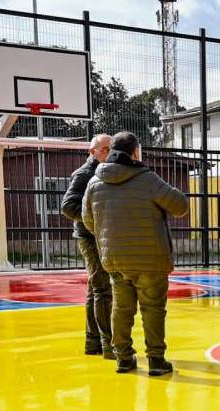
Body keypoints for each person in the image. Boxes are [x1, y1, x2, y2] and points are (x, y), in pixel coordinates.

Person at [82, 132, 189, 376]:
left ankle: (124, 358)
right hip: (150, 258)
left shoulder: (95, 182)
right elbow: (180, 206)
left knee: (121, 307)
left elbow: (88, 221)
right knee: (153, 308)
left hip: (114, 258)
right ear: (135, 153)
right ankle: (156, 360)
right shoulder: (147, 179)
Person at [62, 133, 113, 359]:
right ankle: (107, 344)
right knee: (102, 289)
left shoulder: (105, 171)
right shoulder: (84, 174)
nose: (109, 153)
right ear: (92, 152)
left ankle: (93, 343)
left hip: (97, 236)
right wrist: (94, 220)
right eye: (105, 149)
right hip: (88, 237)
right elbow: (68, 206)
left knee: (96, 289)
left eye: (111, 149)